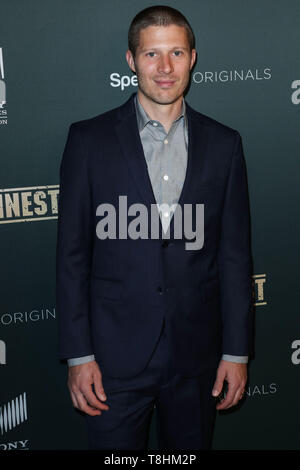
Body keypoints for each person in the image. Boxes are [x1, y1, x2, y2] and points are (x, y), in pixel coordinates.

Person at [56, 5, 254, 450]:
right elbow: (71, 257)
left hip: (196, 358)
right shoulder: (88, 141)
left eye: (176, 53)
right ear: (131, 61)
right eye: (151, 55)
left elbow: (235, 257)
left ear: (193, 58)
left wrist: (236, 352)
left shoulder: (225, 144)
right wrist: (79, 355)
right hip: (110, 363)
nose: (165, 68)